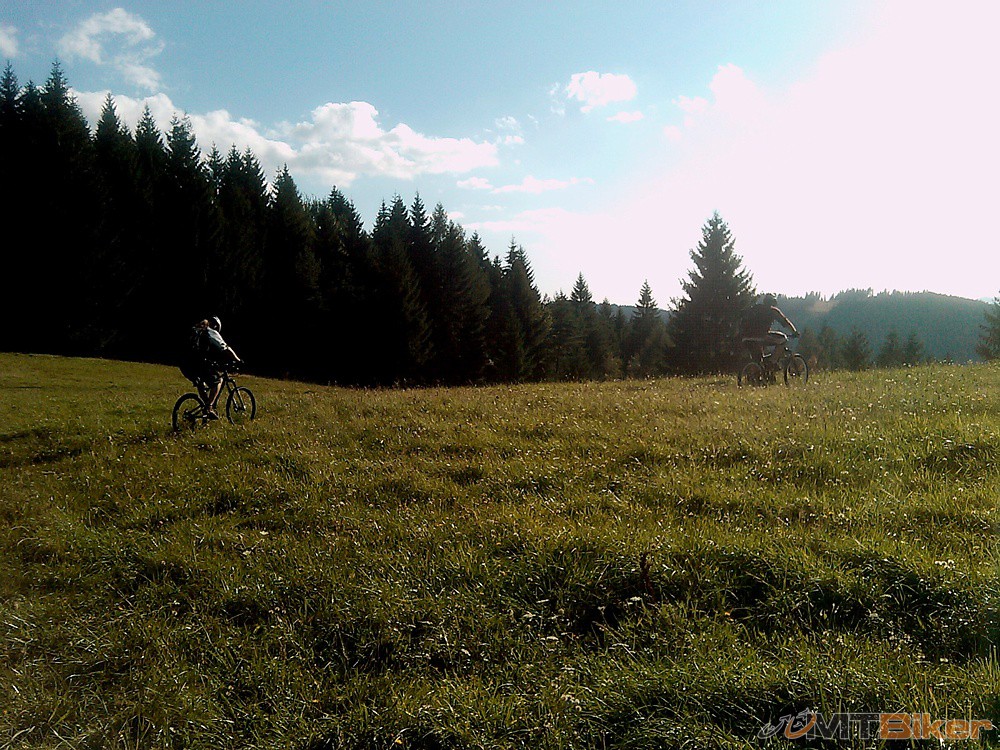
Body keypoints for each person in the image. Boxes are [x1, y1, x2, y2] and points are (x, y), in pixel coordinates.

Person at [190, 316, 242, 418]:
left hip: (186, 364)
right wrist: (238, 360)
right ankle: (209, 408)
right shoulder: (211, 332)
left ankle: (206, 408)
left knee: (200, 383)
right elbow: (226, 348)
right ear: (216, 326)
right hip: (199, 363)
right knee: (218, 381)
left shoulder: (197, 330)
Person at [739, 294, 799, 370]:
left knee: (758, 361)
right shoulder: (773, 311)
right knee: (783, 339)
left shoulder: (755, 308)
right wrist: (794, 331)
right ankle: (772, 362)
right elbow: (786, 322)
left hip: (746, 338)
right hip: (761, 336)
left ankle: (758, 373)